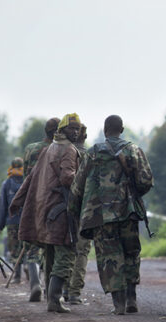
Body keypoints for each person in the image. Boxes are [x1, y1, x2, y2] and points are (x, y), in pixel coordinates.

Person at [70, 115, 154, 314]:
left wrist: (73, 211)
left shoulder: (93, 154)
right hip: (128, 213)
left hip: (101, 216)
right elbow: (146, 181)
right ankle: (132, 297)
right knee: (131, 253)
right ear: (122, 129)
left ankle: (119, 304)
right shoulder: (134, 150)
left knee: (109, 256)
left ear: (105, 130)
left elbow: (78, 187)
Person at [11, 113, 82, 313]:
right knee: (66, 254)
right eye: (72, 128)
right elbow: (68, 178)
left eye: (78, 128)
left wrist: (17, 200)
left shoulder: (51, 147)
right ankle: (54, 299)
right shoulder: (68, 149)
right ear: (61, 130)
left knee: (51, 253)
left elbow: (30, 177)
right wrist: (84, 181)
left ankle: (53, 301)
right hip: (61, 210)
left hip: (45, 210)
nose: (75, 132)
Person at [20, 117, 60, 302]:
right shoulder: (61, 150)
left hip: (32, 201)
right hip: (53, 203)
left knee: (32, 246)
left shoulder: (30, 149)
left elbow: (25, 177)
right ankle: (52, 290)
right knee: (52, 246)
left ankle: (35, 283)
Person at [66, 124, 93, 305]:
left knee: (65, 249)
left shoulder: (64, 153)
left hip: (64, 208)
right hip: (86, 210)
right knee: (82, 250)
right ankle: (74, 292)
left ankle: (60, 287)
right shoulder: (91, 156)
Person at [0, 158, 25, 284]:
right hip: (27, 221)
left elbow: (2, 205)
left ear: (11, 167)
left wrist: (0, 224)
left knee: (14, 248)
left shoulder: (7, 183)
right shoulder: (27, 180)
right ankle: (30, 269)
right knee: (27, 245)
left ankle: (17, 275)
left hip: (12, 221)